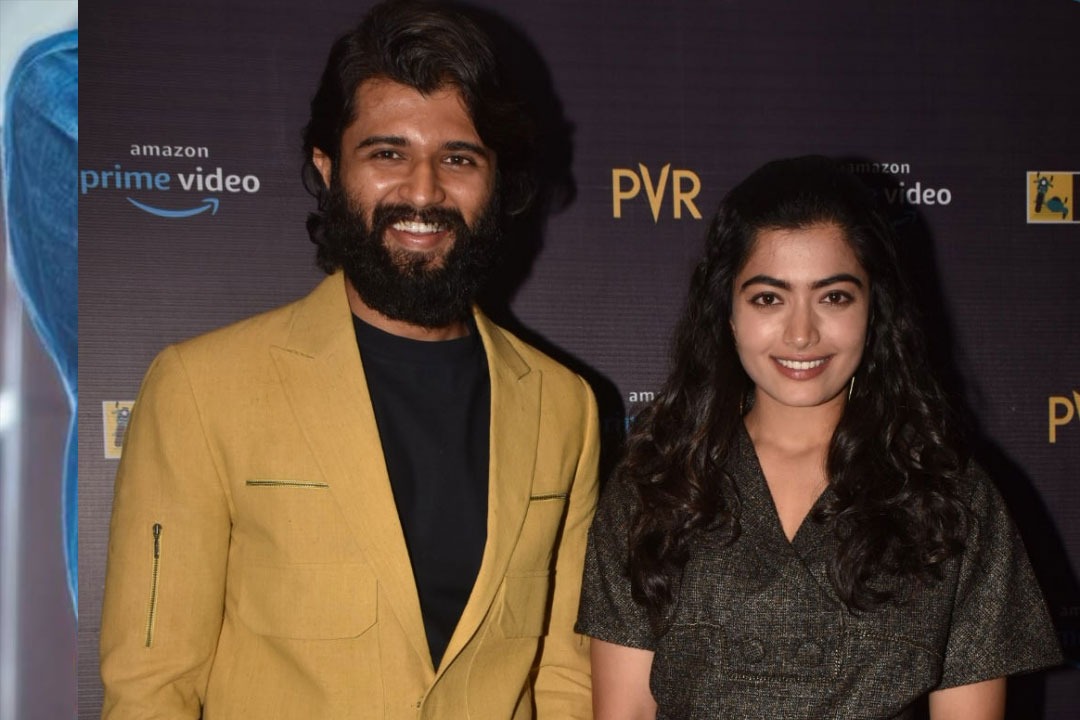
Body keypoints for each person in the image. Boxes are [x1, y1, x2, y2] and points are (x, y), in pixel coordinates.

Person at [99, 2, 598, 718]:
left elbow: (565, 676)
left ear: (497, 181)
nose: (423, 190)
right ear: (329, 168)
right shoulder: (202, 388)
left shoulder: (564, 406)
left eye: (458, 158)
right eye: (387, 154)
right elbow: (151, 688)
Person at [576, 156, 1061, 719]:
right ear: (727, 311)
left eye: (834, 297)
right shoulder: (656, 487)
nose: (802, 333)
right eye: (768, 298)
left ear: (874, 309)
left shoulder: (951, 498)